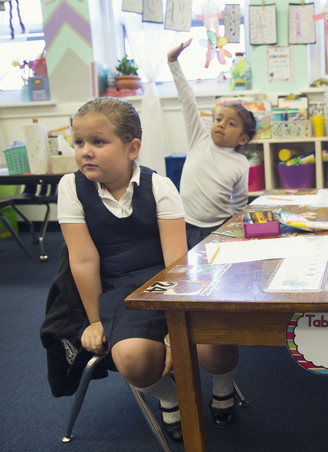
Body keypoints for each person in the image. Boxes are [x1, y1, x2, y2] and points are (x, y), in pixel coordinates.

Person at [58, 97, 241, 443]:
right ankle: (171, 396)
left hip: (171, 282)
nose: (85, 151)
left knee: (212, 341)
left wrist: (176, 327)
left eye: (98, 142)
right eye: (79, 142)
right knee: (132, 358)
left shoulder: (159, 186)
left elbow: (176, 263)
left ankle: (223, 385)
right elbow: (82, 260)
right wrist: (95, 319)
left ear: (132, 148)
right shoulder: (71, 188)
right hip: (120, 292)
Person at [168, 38, 257, 249]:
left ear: (242, 139)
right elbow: (187, 100)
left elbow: (240, 202)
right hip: (187, 225)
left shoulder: (240, 162)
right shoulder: (199, 139)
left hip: (221, 226)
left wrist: (239, 230)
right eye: (219, 119)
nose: (221, 125)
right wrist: (173, 62)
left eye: (231, 123)